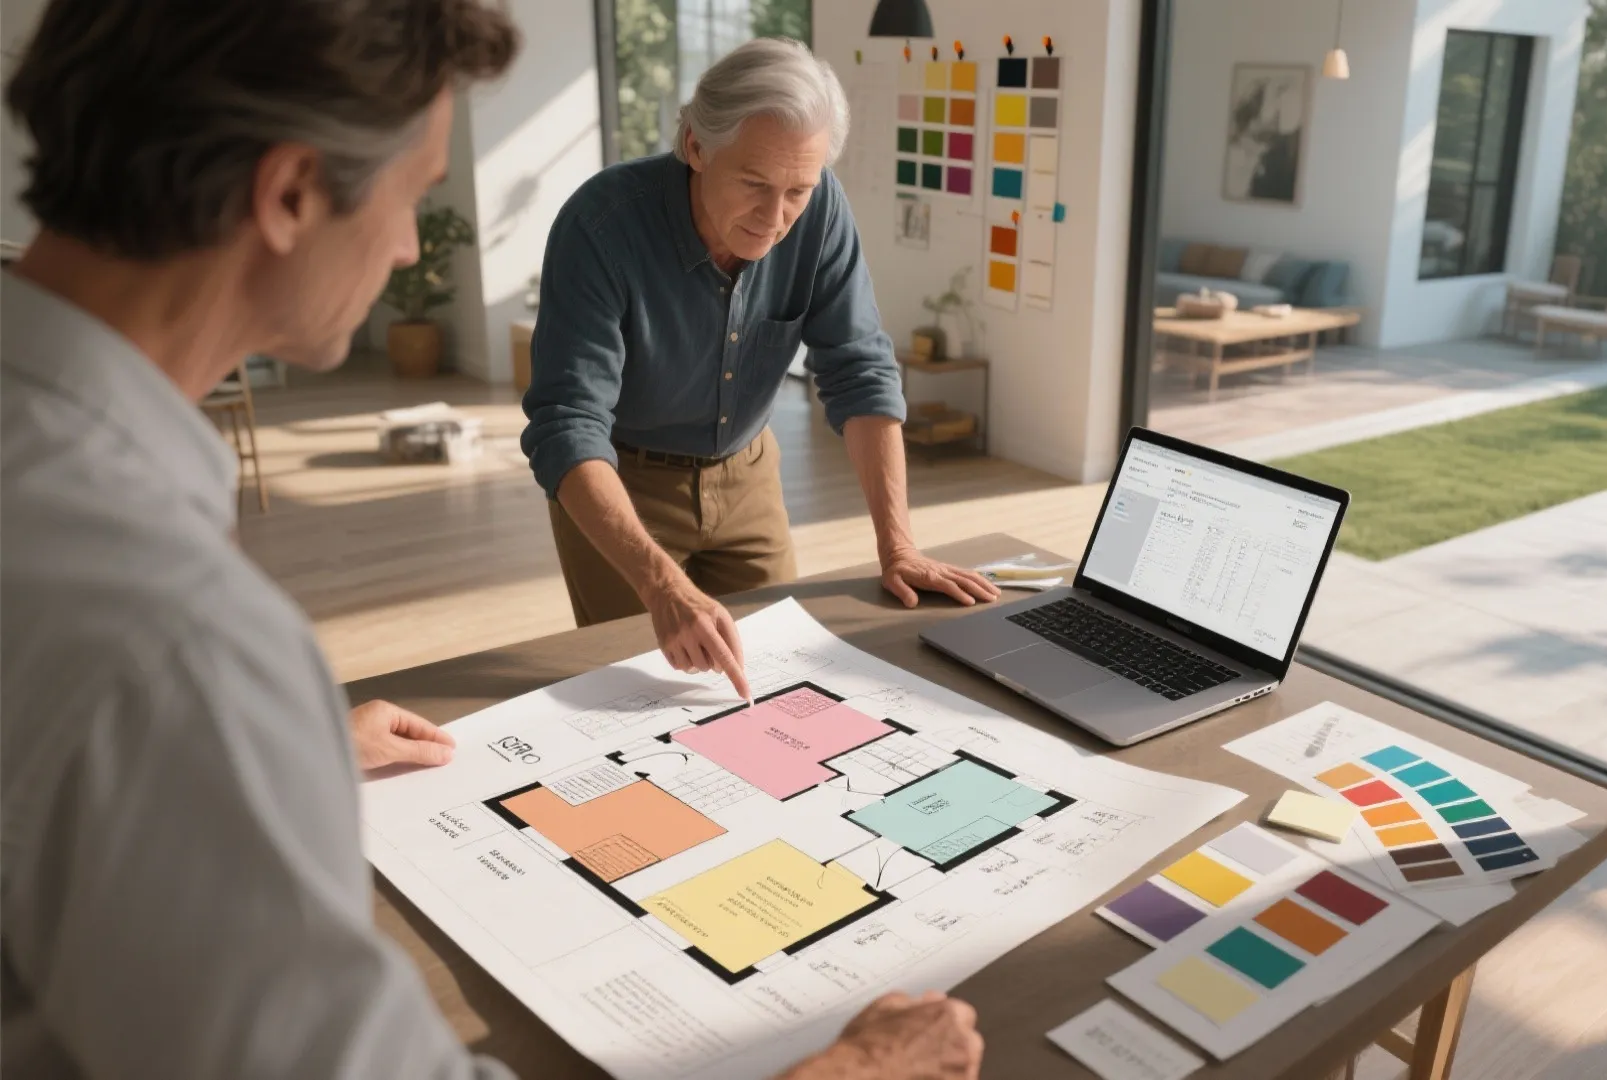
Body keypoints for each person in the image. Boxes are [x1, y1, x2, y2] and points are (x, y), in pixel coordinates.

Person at [0, 2, 983, 1078]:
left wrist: (292, 752)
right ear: (287, 194)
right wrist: (851, 1069)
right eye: (416, 193)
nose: (414, 245)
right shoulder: (174, 639)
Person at [523, 38, 999, 701]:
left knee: (776, 678)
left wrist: (899, 546)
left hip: (748, 474)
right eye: (753, 184)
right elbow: (566, 425)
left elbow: (860, 370)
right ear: (695, 145)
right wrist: (660, 584)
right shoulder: (601, 226)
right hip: (623, 483)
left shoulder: (821, 208)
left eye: (796, 191)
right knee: (646, 697)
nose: (776, 219)